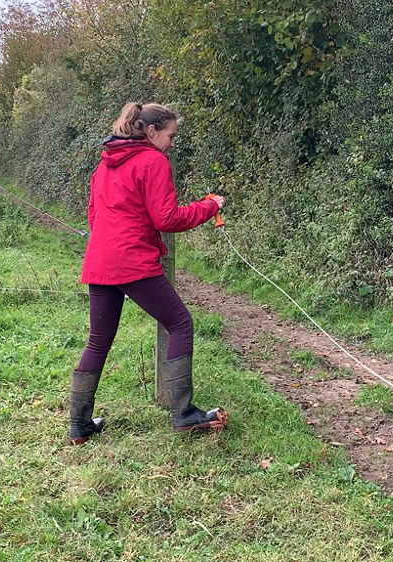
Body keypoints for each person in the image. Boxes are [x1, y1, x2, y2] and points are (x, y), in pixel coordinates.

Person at [68, 101, 228, 445]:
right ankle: (184, 415)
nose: (172, 142)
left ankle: (79, 425)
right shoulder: (154, 161)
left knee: (98, 340)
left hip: (100, 259)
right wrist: (209, 206)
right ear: (152, 131)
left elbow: (94, 215)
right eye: (169, 135)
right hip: (132, 260)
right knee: (180, 323)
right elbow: (167, 219)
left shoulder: (104, 163)